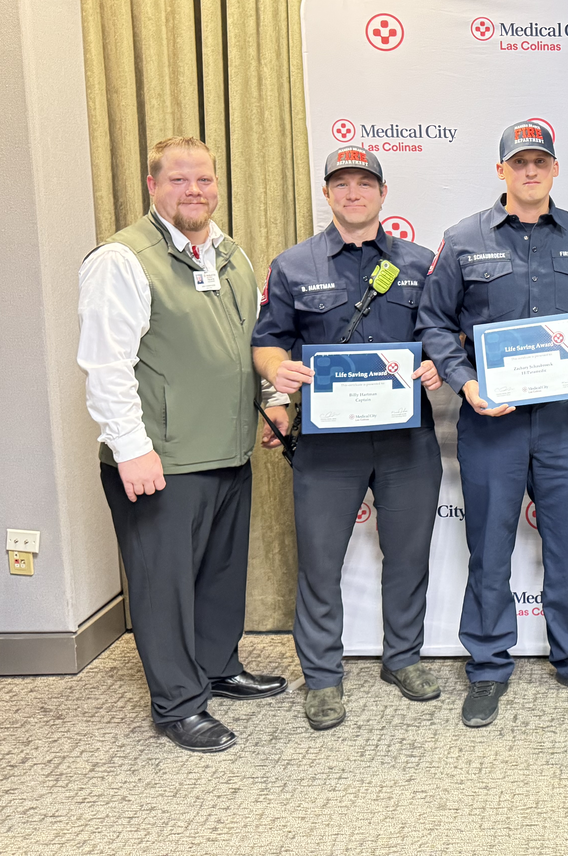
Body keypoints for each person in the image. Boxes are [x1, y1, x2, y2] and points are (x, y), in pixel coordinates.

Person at [77, 136, 285, 753]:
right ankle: (177, 704)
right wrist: (131, 447)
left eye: (203, 180)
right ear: (152, 186)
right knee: (162, 584)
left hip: (226, 449)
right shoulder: (122, 259)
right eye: (179, 181)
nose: (193, 191)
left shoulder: (232, 254)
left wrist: (273, 404)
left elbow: (252, 345)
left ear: (217, 184)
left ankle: (216, 667)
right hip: (159, 458)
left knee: (220, 575)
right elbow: (106, 364)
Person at [417, 120, 568, 728]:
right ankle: (486, 666)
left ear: (555, 169)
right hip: (493, 423)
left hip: (565, 423)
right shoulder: (462, 239)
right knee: (489, 546)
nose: (529, 171)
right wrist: (467, 383)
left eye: (540, 162)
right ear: (502, 171)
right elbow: (434, 322)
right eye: (519, 163)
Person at [251, 146, 445, 731]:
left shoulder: (420, 262)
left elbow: (443, 332)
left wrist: (438, 363)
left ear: (383, 194)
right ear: (328, 193)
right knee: (319, 560)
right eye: (342, 184)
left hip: (406, 437)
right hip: (327, 442)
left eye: (365, 183)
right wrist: (274, 380)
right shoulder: (293, 265)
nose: (353, 193)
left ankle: (402, 658)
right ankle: (323, 678)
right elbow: (268, 342)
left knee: (408, 555)